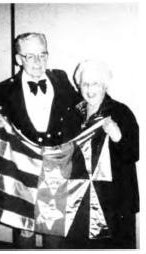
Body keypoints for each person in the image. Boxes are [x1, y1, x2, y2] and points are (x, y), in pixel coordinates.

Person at [0, 32, 81, 249]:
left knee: (53, 228)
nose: (38, 62)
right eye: (30, 56)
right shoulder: (3, 89)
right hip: (22, 170)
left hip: (55, 167)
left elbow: (81, 110)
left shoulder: (61, 79)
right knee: (24, 227)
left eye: (42, 54)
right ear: (18, 59)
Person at [71, 59, 139, 248]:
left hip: (114, 202)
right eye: (85, 84)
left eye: (95, 83)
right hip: (81, 198)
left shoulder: (121, 112)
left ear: (105, 85)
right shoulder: (74, 113)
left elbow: (133, 153)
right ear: (78, 85)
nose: (90, 89)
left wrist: (118, 137)